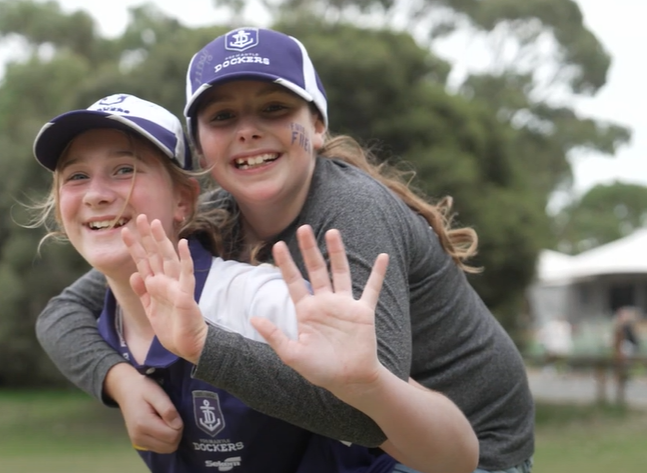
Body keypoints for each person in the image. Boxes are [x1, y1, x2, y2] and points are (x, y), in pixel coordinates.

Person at [37, 27, 534, 473]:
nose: (247, 129)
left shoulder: (351, 215)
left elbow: (357, 403)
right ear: (201, 147)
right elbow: (66, 311)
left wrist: (202, 345)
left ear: (317, 125)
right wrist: (118, 380)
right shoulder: (214, 212)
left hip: (468, 450)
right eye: (223, 116)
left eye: (274, 108)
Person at [29, 92, 405, 472]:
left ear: (183, 201)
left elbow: (397, 422)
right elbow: (55, 316)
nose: (95, 195)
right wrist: (119, 381)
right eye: (76, 176)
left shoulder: (257, 300)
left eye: (125, 169)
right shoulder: (104, 324)